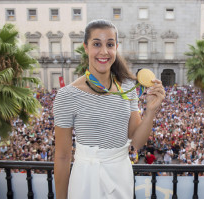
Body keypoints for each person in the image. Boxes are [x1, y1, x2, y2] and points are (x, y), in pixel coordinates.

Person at [53, 19, 165, 199]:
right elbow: (63, 157)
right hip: (84, 179)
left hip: (120, 175)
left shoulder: (127, 87)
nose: (104, 51)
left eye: (110, 44)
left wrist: (151, 111)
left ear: (116, 47)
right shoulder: (68, 95)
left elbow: (136, 142)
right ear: (86, 47)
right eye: (97, 44)